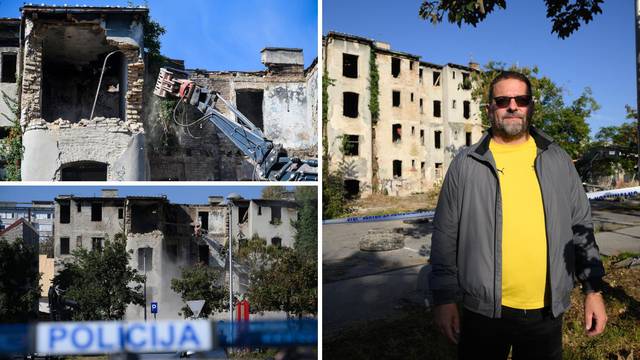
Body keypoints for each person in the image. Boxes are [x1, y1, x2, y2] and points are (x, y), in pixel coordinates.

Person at [429, 71, 607, 360]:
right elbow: (445, 234)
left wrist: (593, 290)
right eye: (502, 100)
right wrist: (444, 298)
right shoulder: (466, 164)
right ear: (490, 109)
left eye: (521, 99)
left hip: (546, 312)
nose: (512, 106)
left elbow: (581, 227)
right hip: (483, 312)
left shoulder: (557, 158)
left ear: (531, 106)